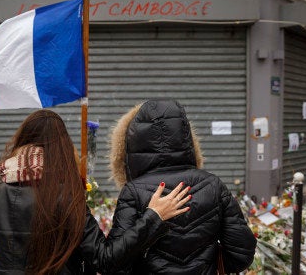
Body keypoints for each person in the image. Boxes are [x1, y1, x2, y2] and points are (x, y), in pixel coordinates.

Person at [0, 109, 191, 274]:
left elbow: (3, 257)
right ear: (63, 147)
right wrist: (153, 217)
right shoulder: (64, 195)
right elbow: (105, 259)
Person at [107, 99, 256, 274]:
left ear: (133, 144)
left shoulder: (132, 192)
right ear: (186, 137)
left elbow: (116, 260)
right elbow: (242, 253)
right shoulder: (214, 185)